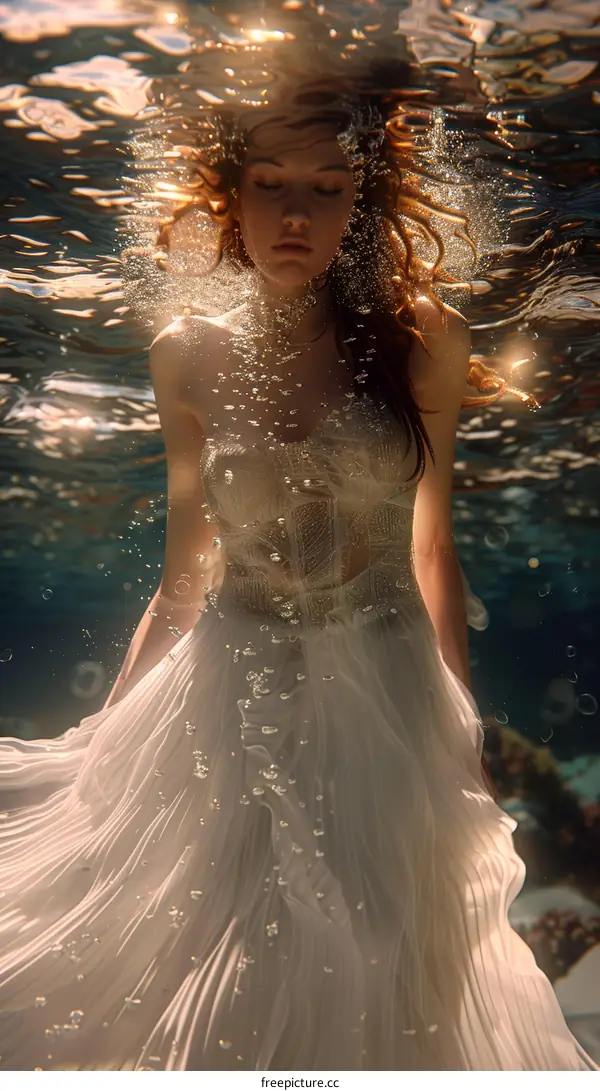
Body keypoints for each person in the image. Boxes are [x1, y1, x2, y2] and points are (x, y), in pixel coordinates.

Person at [0, 77, 596, 1073]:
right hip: (226, 694)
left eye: (326, 188)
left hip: (388, 695)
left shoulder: (425, 338)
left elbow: (432, 548)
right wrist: (110, 729)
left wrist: (463, 732)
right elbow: (182, 576)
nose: (294, 214)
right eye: (270, 182)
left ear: (359, 202)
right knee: (220, 947)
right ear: (230, 196)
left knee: (390, 963)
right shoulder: (185, 354)